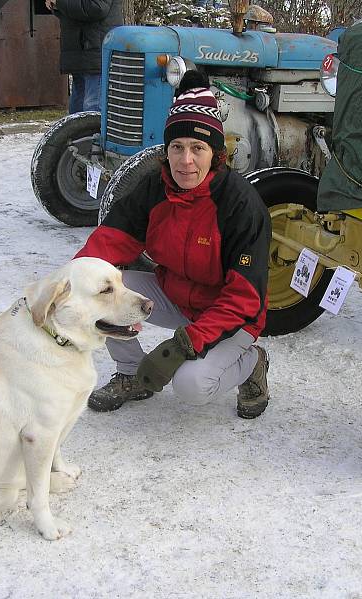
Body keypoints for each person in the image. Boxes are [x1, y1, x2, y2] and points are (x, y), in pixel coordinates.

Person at [74, 71, 272, 419]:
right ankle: (132, 373)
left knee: (192, 385)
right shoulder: (156, 189)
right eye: (177, 148)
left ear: (216, 153)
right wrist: (68, 283)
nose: (186, 161)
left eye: (198, 148)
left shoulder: (239, 204)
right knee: (97, 290)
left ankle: (252, 362)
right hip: (176, 295)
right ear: (165, 151)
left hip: (233, 318)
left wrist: (186, 343)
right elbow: (108, 243)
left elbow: (244, 298)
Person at [45, 0, 121, 114]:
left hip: (95, 52)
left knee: (92, 109)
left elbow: (97, 7)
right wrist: (55, 6)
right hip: (81, 51)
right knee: (77, 110)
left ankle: (93, 132)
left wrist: (59, 3)